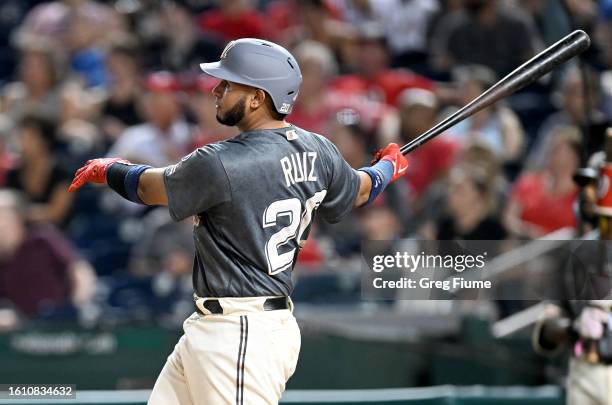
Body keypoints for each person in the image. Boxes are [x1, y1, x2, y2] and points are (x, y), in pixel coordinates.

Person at [68, 38, 408, 404]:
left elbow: (150, 188)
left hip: (240, 331)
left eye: (228, 84)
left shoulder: (222, 161)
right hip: (226, 326)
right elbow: (360, 189)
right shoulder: (318, 149)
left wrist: (110, 169)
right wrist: (387, 167)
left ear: (258, 97)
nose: (216, 90)